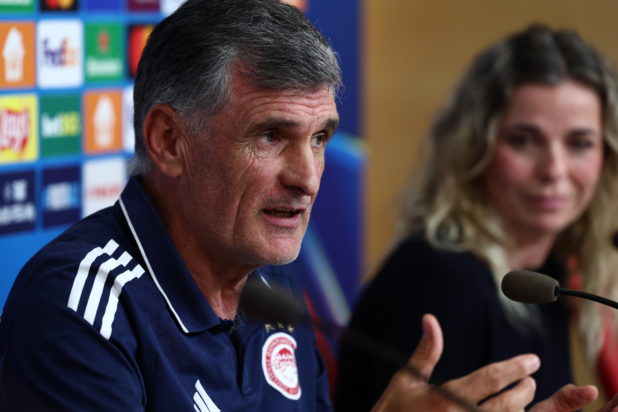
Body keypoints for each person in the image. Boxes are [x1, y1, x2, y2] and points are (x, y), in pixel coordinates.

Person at [0, 3, 614, 410]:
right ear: (168, 141)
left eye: (320, 138)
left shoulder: (274, 290)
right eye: (271, 136)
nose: (308, 178)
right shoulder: (78, 309)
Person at [336, 24, 618, 411]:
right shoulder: (439, 280)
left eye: (580, 143)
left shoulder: (544, 279)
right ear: (474, 148)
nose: (554, 169)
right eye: (523, 140)